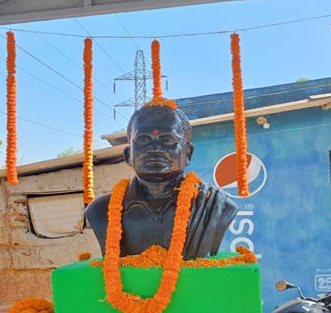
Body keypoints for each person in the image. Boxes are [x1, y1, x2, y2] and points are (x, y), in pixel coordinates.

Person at [85, 104, 239, 260]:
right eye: (143, 139)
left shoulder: (217, 206)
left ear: (188, 154)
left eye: (167, 139)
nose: (155, 149)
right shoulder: (99, 210)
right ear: (127, 155)